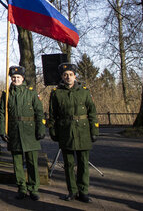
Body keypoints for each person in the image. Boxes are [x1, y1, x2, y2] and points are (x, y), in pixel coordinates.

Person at [47, 62, 99, 203]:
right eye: (65, 75)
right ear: (62, 77)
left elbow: (92, 112)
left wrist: (94, 130)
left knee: (83, 163)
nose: (68, 77)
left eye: (70, 74)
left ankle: (84, 191)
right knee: (68, 164)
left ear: (75, 76)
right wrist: (53, 130)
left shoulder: (84, 91)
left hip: (83, 132)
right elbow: (52, 115)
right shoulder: (56, 93)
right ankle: (72, 191)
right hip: (66, 132)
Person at [0, 65, 45, 201]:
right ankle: (21, 188)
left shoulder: (31, 93)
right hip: (14, 132)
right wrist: (2, 130)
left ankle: (34, 188)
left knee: (32, 162)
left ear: (23, 78)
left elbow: (39, 112)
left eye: (18, 77)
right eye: (13, 77)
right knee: (17, 163)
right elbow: (2, 114)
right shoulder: (6, 95)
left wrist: (41, 129)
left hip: (30, 132)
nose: (15, 79)